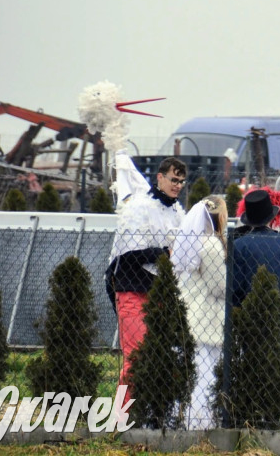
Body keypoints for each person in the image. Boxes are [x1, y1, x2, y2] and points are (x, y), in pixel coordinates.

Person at [105, 151, 187, 406]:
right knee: (136, 357)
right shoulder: (139, 208)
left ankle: (150, 410)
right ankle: (121, 415)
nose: (177, 186)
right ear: (159, 178)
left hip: (160, 292)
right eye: (173, 179)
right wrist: (164, 253)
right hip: (132, 289)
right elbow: (126, 254)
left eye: (182, 182)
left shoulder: (176, 212)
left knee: (163, 354)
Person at [230, 189, 280, 430]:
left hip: (252, 322)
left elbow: (235, 288)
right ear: (272, 216)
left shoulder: (240, 246)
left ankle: (255, 420)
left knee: (252, 372)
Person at [171, 195, 228, 430]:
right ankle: (201, 422)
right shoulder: (212, 245)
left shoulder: (186, 242)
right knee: (206, 376)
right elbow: (219, 287)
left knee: (189, 373)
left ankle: (179, 419)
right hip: (208, 318)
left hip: (187, 315)